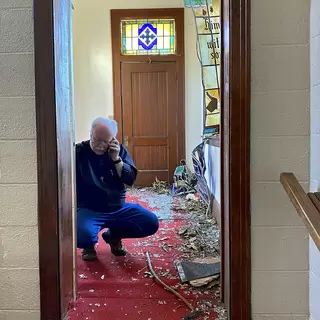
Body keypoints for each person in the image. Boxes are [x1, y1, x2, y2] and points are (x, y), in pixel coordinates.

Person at [76, 117, 159, 261]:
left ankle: (113, 236)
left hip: (118, 208)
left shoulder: (118, 150)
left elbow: (130, 180)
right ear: (90, 134)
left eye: (105, 141)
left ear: (112, 139)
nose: (100, 145)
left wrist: (116, 159)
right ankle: (88, 245)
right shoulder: (78, 151)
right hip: (89, 209)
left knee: (150, 223)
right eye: (96, 139)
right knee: (81, 235)